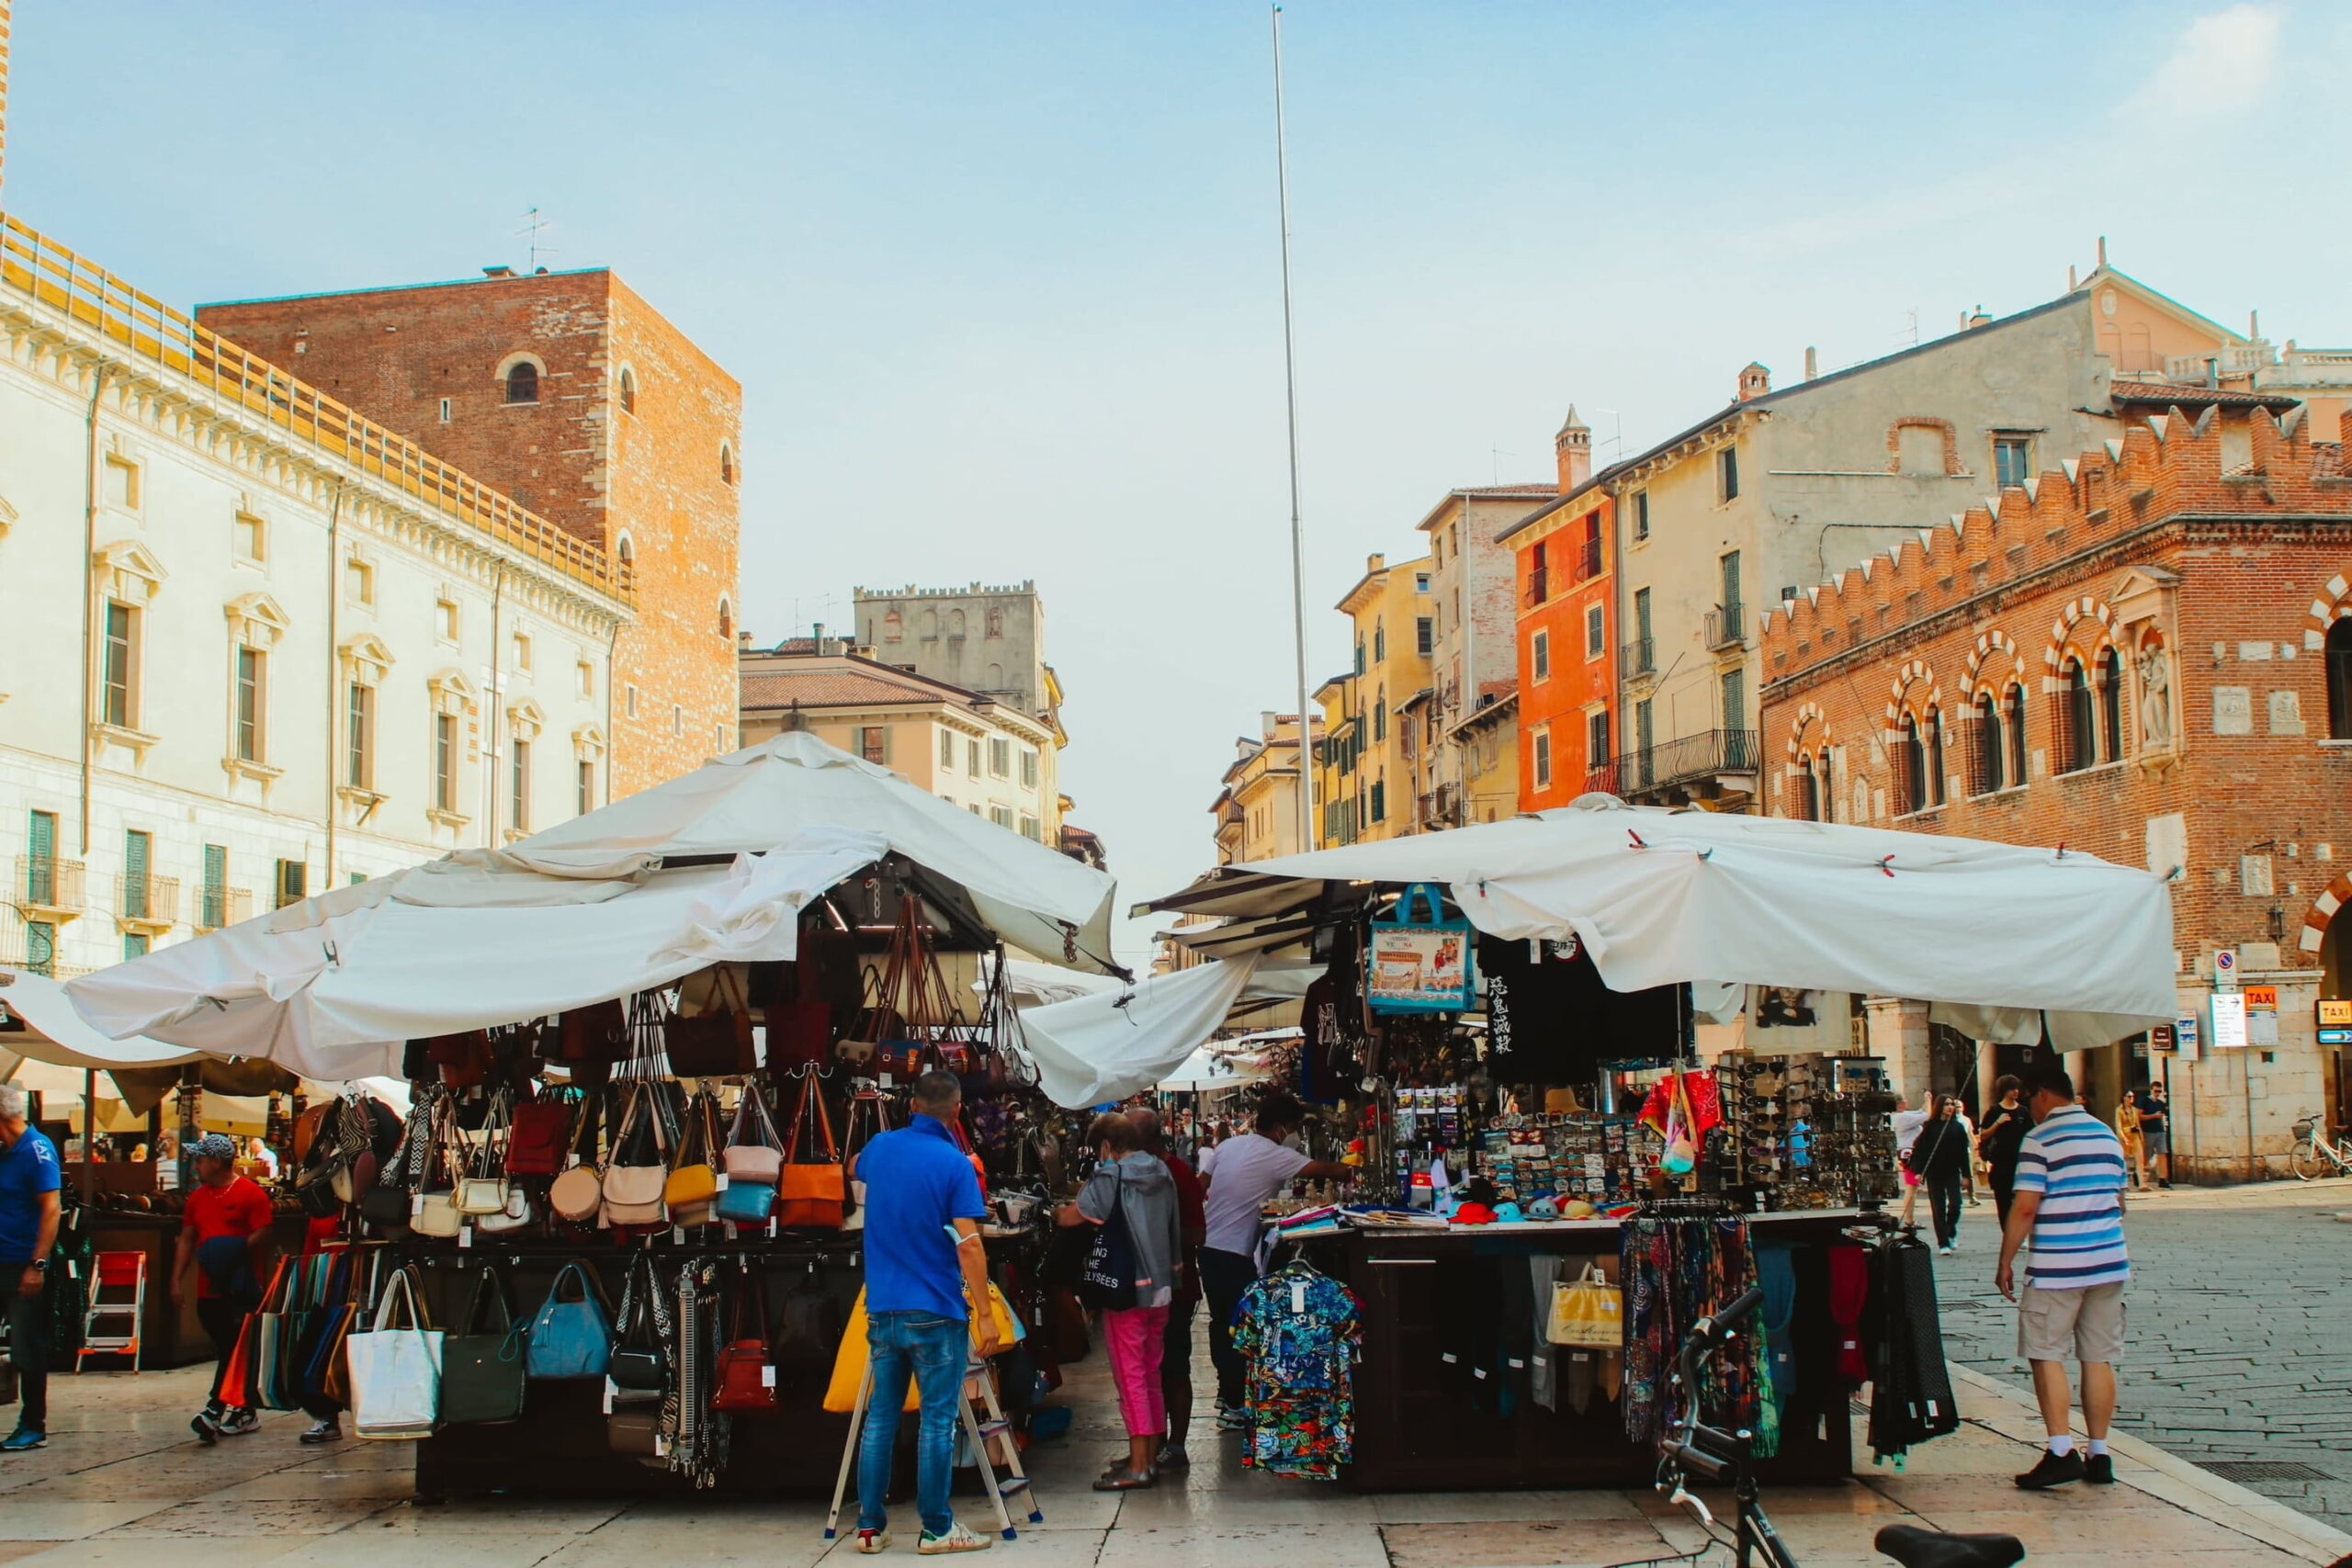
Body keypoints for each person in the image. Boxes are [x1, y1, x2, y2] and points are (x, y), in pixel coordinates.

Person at [850, 1070, 1001, 1556]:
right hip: (935, 1307)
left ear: (912, 1104)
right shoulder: (955, 1164)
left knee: (881, 1419)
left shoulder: (881, 1147)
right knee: (937, 1421)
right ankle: (936, 1527)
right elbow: (970, 1246)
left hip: (884, 1307)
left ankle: (870, 1527)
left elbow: (854, 1165)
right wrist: (986, 1313)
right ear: (957, 1111)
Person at [1997, 1066, 2131, 1491]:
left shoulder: (2040, 1140)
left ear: (2040, 1095)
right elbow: (2120, 1201)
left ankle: (2059, 1450)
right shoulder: (2107, 1135)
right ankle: (2100, 1453)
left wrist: (2006, 1260)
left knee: (2046, 1352)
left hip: (2058, 1266)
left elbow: (2024, 1207)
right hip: (2109, 1262)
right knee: (2098, 1356)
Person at [1197, 1095, 1355, 1430]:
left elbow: (1201, 1186)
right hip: (1233, 1253)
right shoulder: (1277, 1155)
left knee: (1222, 1322)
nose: (1294, 1135)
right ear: (1284, 1127)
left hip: (1208, 1246)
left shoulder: (1229, 1146)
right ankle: (1235, 1405)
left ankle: (1228, 1396)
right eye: (1295, 1128)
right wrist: (1356, 1166)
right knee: (1237, 1327)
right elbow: (1332, 1170)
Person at [1057, 1111, 1182, 1491]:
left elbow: (1073, 1217)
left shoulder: (1111, 1174)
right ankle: (1149, 1454)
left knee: (1130, 1377)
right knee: (1149, 1372)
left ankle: (1140, 1466)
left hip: (1127, 1288)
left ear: (1107, 1146)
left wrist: (1056, 1208)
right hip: (1161, 1285)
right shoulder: (1162, 1172)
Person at [172, 1133, 274, 1445]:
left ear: (216, 1162)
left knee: (232, 1347)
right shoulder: (198, 1198)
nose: (196, 1165)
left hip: (239, 1287)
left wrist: (233, 1250)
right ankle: (244, 1409)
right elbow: (187, 1237)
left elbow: (264, 1232)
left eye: (200, 1160)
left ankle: (214, 1409)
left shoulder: (251, 1194)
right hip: (209, 1287)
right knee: (227, 1346)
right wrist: (176, 1279)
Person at [1130, 1106, 1206, 1470]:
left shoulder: (1177, 1174)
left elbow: (1198, 1233)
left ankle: (1176, 1445)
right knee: (1148, 1369)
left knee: (1174, 1367)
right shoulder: (1135, 1174)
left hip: (1175, 1288)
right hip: (1143, 1287)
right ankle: (1150, 1445)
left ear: (1146, 1139)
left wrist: (1157, 1233)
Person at [0, 1086, 62, 1451]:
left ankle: (33, 1424)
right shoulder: (5, 1151)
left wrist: (37, 1264)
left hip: (22, 1264)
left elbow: (51, 1210)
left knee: (26, 1346)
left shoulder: (37, 1151)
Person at [1910, 1096, 1972, 1255]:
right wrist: (1918, 1172)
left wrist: (1966, 1175)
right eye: (1946, 1104)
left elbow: (1963, 1153)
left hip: (1952, 1171)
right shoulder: (1930, 1126)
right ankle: (1943, 1242)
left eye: (1952, 1104)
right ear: (1940, 1107)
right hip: (1934, 1172)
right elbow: (1920, 1151)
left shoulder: (1957, 1127)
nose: (1950, 1107)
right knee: (1938, 1208)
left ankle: (1950, 1230)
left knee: (1956, 1205)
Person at [1976, 1076, 2030, 1227]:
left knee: (2021, 1200)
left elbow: (2030, 1133)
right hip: (2000, 1163)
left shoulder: (2023, 1111)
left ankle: (2019, 1230)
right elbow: (1983, 1134)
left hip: (2020, 1162)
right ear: (2004, 1091)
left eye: (2017, 1088)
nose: (2016, 1091)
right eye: (2012, 1089)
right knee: (2003, 1202)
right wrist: (1997, 1123)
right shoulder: (1994, 1111)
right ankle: (2008, 1232)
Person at [1892, 1089, 1933, 1226]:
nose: (1907, 1101)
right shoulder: (1902, 1117)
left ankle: (1910, 1218)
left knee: (1912, 1187)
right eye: (1904, 1099)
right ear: (1899, 1103)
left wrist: (1926, 1101)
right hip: (1910, 1154)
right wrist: (1928, 1101)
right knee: (1911, 1188)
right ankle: (1909, 1219)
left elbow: (1921, 1112)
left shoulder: (1902, 1115)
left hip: (1907, 1153)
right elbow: (1927, 1116)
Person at [2130, 1083, 2172, 1188]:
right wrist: (2153, 1116)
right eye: (2155, 1091)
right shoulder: (2144, 1101)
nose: (2157, 1093)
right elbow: (2139, 1116)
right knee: (2147, 1155)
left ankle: (2162, 1178)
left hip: (2160, 1131)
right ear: (2151, 1090)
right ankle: (2138, 1173)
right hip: (2148, 1131)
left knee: (2163, 1154)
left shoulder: (2160, 1103)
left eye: (2159, 1091)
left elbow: (2164, 1115)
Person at [2114, 1096, 2146, 1191]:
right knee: (2124, 1161)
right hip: (2125, 1136)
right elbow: (2118, 1126)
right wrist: (2124, 1138)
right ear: (2124, 1098)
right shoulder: (2119, 1110)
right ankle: (2124, 1184)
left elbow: (2138, 1124)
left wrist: (2141, 1137)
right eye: (2129, 1096)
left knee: (2140, 1159)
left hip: (2135, 1135)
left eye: (2132, 1097)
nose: (2131, 1098)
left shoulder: (2134, 1110)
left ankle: (2141, 1184)